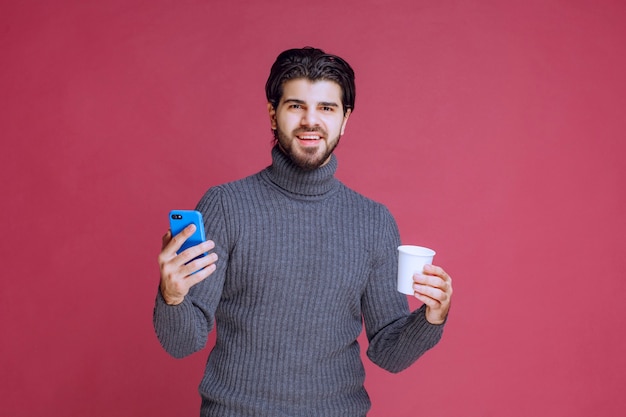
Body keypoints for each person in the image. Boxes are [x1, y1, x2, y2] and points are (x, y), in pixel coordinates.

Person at [153, 47, 453, 417]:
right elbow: (182, 343)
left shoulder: (374, 221)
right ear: (272, 114)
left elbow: (389, 354)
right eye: (296, 106)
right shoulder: (226, 206)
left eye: (326, 108)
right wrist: (172, 297)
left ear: (345, 119)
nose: (311, 121)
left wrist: (431, 318)